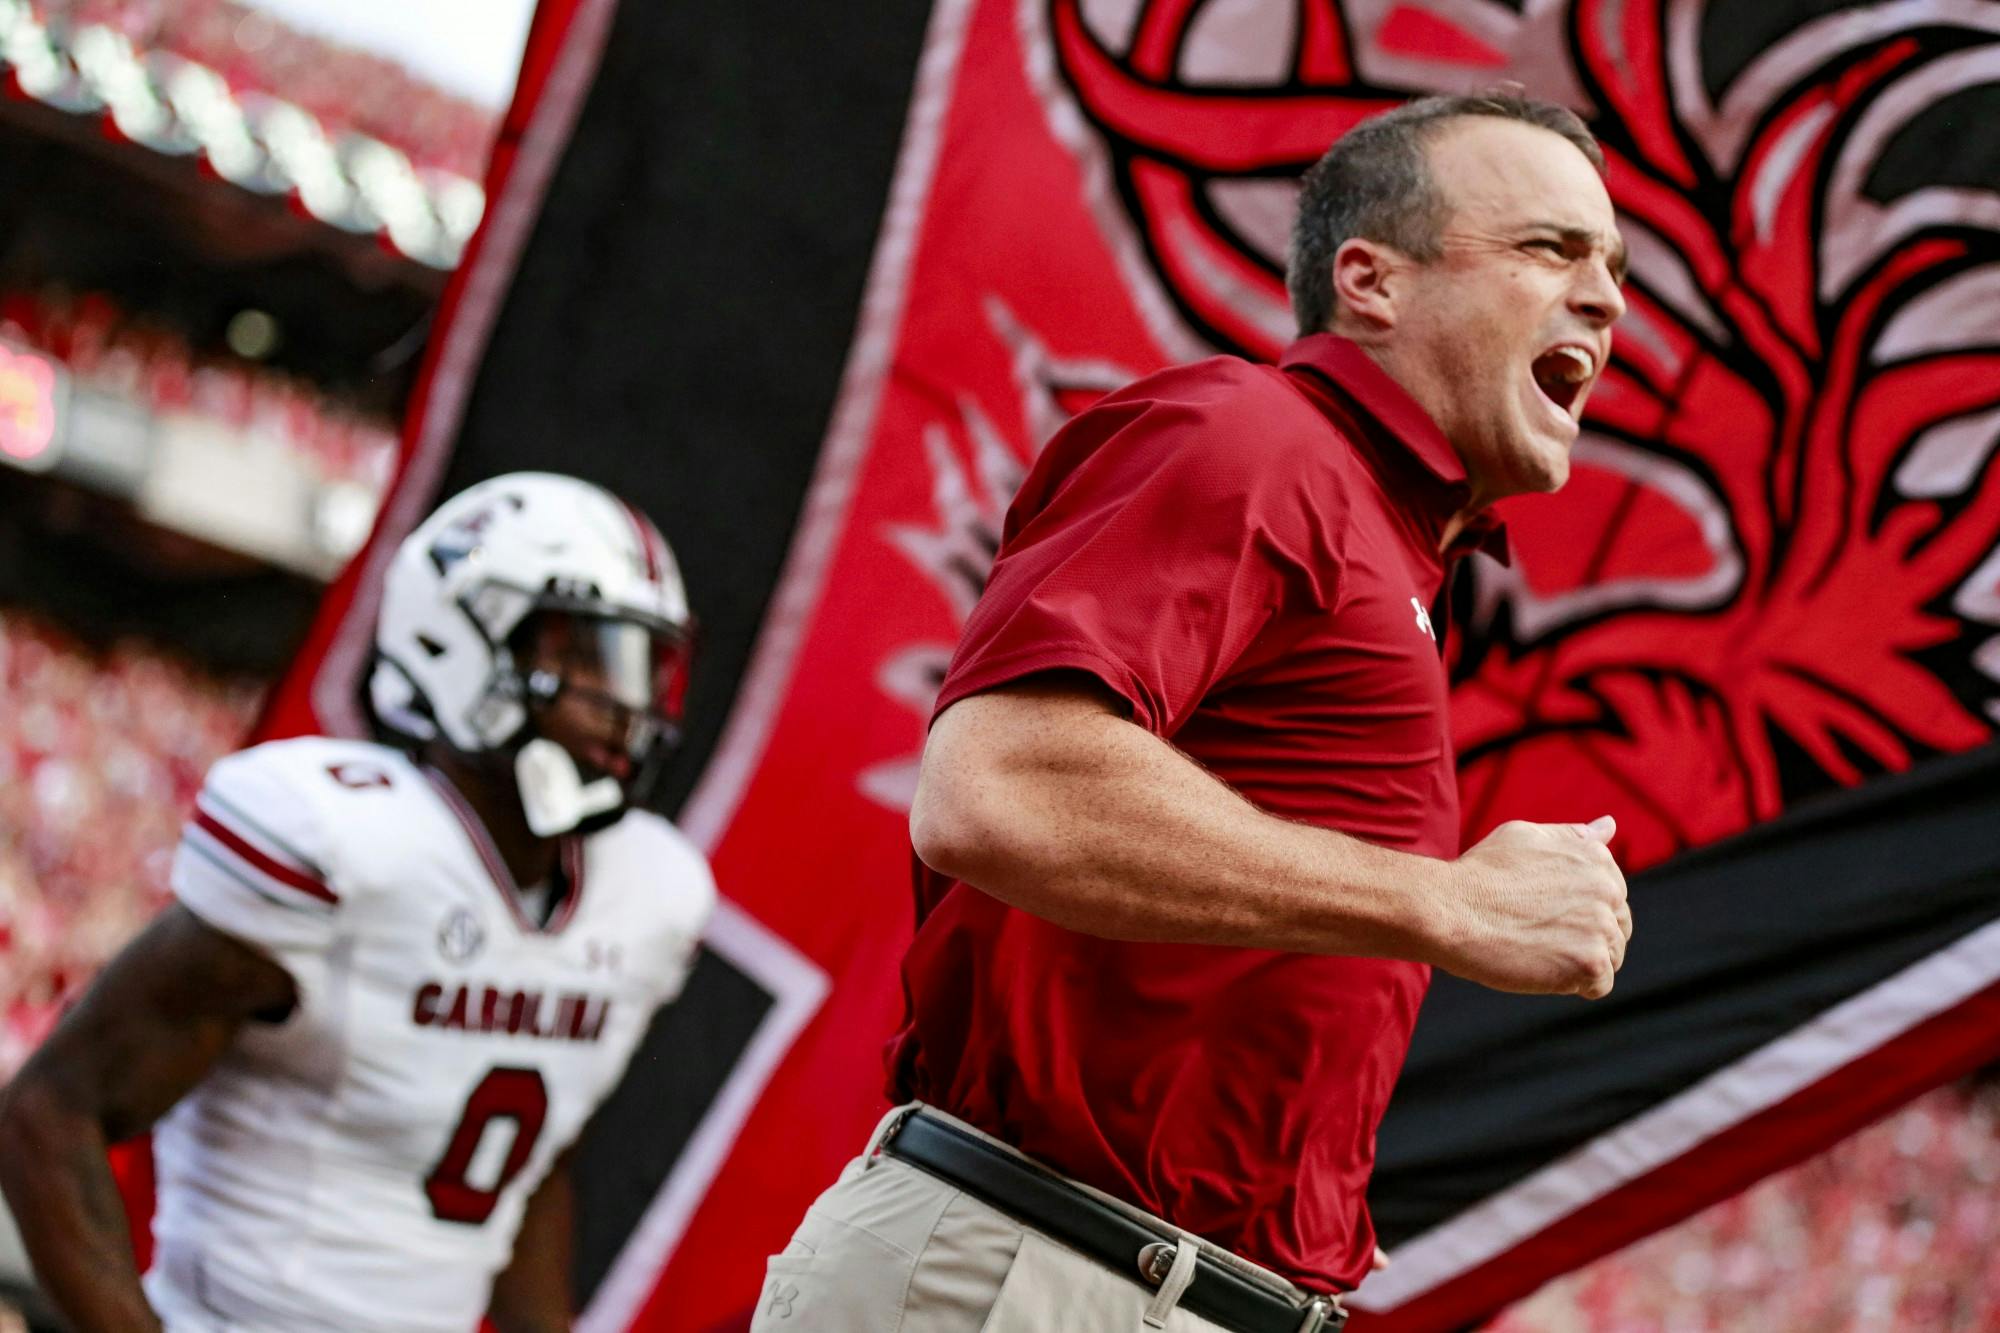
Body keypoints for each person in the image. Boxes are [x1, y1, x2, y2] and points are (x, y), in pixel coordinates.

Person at [753, 94, 1632, 1332]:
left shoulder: (1387, 543)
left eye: (1610, 264)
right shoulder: (1256, 438)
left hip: (1130, 1279)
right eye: (1549, 248)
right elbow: (1000, 788)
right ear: (1368, 283)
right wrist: (1446, 900)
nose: (1604, 297)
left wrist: (1290, 1196)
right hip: (1045, 1275)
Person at [0, 473, 717, 1333]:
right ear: (462, 641)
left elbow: (526, 1176)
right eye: (584, 654)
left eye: (642, 664)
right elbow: (50, 1115)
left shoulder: (646, 892)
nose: (624, 702)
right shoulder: (342, 847)